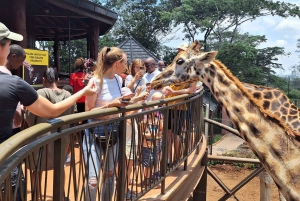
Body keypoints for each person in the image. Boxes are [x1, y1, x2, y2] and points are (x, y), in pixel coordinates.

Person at [0, 22, 96, 201]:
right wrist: (84, 91)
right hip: (5, 159)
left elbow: (27, 117)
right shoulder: (15, 84)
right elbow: (52, 111)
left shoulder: (32, 88)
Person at [84, 46, 148, 201]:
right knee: (93, 181)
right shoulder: (96, 81)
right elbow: (87, 111)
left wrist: (135, 100)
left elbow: (118, 103)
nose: (127, 65)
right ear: (118, 63)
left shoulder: (119, 80)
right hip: (95, 131)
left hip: (113, 130)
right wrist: (109, 106)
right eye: (125, 62)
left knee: (110, 175)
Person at [24, 67, 74, 201]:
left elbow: (29, 118)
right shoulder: (68, 95)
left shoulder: (39, 93)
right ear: (57, 80)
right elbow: (73, 116)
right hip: (62, 137)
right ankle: (60, 195)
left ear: (43, 80)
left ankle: (37, 197)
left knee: (36, 168)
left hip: (41, 138)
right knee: (60, 166)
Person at [2, 44, 26, 134]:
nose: (21, 64)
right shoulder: (4, 76)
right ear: (13, 56)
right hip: (9, 126)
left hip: (13, 124)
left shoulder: (9, 74)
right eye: (20, 61)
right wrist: (15, 111)